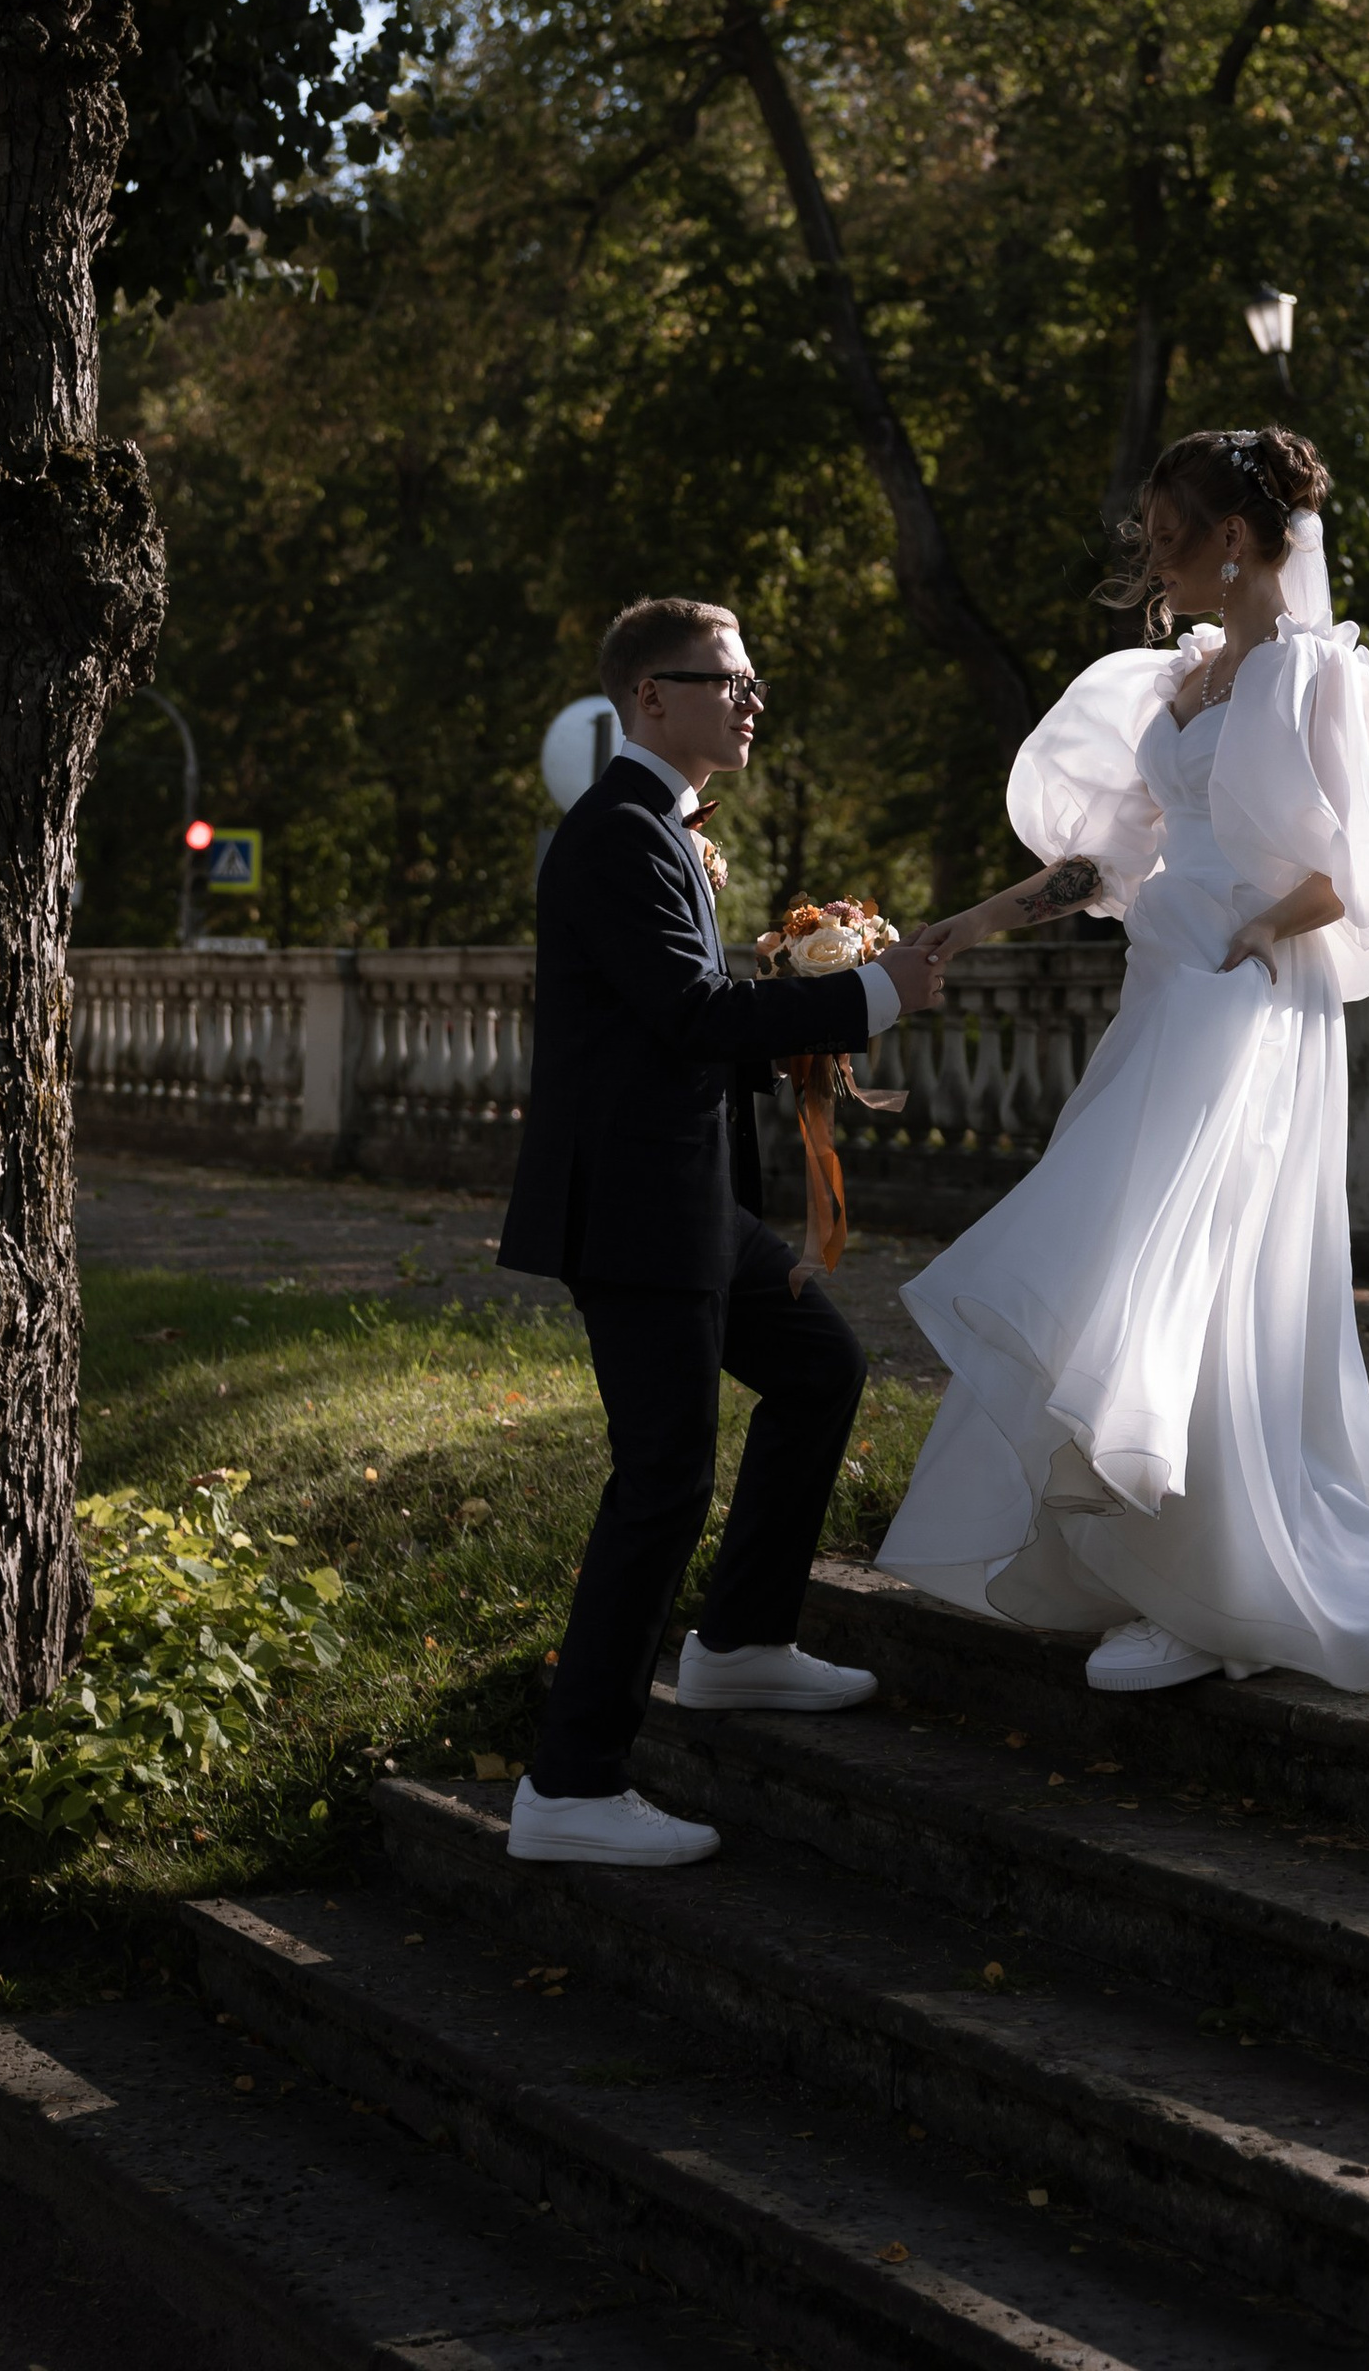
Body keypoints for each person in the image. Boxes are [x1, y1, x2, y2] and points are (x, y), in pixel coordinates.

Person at [878, 428, 1369, 1693]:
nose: (1150, 554)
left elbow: (1351, 876)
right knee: (1118, 1248)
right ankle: (1132, 1557)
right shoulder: (1177, 676)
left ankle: (1210, 1579)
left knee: (1200, 1257)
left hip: (1246, 994)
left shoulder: (1314, 680)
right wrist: (976, 920)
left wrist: (1255, 933)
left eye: (1168, 530)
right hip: (1162, 987)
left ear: (1234, 537)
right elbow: (1114, 858)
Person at [498, 592, 951, 1863]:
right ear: (652, 697)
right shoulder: (618, 836)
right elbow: (692, 1017)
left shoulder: (664, 830)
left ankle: (740, 1645)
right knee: (661, 1483)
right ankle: (568, 1787)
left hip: (691, 1204)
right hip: (636, 1213)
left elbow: (685, 1017)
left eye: (750, 683)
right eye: (727, 682)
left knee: (819, 1369)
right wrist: (866, 994)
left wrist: (810, 1005)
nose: (751, 702)